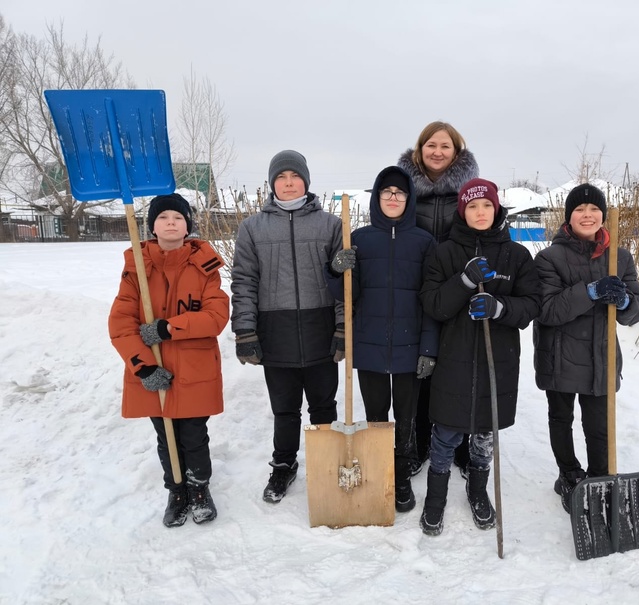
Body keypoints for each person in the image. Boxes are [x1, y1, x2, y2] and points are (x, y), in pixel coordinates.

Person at [418, 178, 541, 536]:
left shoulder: (516, 256)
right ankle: (435, 499)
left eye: (486, 205)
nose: (480, 212)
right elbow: (434, 304)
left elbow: (531, 304)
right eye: (472, 206)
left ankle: (478, 491)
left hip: (496, 361)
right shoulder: (444, 253)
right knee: (445, 434)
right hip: (454, 360)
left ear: (496, 208)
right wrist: (465, 282)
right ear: (462, 211)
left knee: (485, 433)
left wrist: (500, 306)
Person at [108, 193, 229, 528]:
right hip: (154, 370)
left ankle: (199, 488)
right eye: (163, 218)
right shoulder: (137, 268)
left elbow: (216, 317)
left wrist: (168, 328)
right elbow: (120, 322)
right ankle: (176, 490)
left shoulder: (204, 266)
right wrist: (143, 366)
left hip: (194, 369)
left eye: (178, 217)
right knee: (167, 437)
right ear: (152, 227)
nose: (171, 223)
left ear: (187, 225)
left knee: (193, 434)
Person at [230, 150, 343, 504]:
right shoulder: (252, 228)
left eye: (295, 176)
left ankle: (327, 463)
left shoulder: (331, 226)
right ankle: (283, 465)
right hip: (275, 331)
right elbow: (243, 281)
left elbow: (344, 283)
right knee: (285, 409)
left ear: (306, 182)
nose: (289, 182)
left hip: (320, 329)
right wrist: (245, 332)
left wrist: (342, 328)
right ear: (272, 183)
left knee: (324, 406)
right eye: (282, 177)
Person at [325, 166, 440, 513]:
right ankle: (380, 469)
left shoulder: (424, 242)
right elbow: (350, 294)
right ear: (377, 197)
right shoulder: (359, 239)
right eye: (387, 192)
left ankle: (402, 474)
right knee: (376, 413)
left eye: (400, 193)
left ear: (409, 199)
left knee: (407, 416)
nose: (393, 198)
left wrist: (428, 348)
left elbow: (431, 300)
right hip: (370, 345)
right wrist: (336, 270)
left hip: (410, 346)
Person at [532, 183, 639, 513]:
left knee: (599, 425)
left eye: (594, 209)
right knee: (562, 419)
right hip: (560, 356)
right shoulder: (549, 258)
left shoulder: (619, 258)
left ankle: (599, 478)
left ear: (603, 215)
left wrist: (625, 301)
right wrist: (591, 291)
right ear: (569, 217)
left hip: (601, 356)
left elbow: (634, 311)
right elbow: (549, 310)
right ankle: (568, 474)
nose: (587, 215)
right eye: (580, 210)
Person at [398, 121, 480, 477]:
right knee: (417, 370)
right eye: (431, 145)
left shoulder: (469, 192)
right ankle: (417, 442)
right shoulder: (402, 190)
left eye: (445, 146)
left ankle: (457, 443)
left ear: (456, 152)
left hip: (456, 289)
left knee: (454, 368)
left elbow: (485, 226)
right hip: (411, 290)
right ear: (419, 149)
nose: (437, 152)